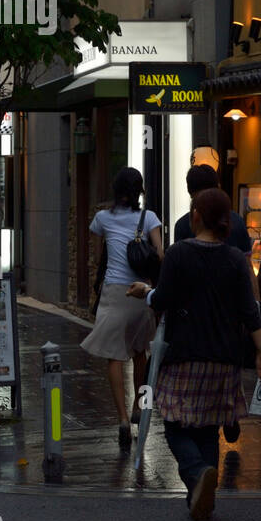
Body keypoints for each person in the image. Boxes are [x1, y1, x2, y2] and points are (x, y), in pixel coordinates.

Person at [126, 187, 261, 520]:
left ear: (196, 217)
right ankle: (201, 497)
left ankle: (196, 473)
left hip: (185, 356)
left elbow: (163, 300)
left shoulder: (179, 254)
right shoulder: (235, 259)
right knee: (208, 428)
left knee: (176, 427)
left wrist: (144, 293)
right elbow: (250, 312)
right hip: (225, 360)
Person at [80, 167, 164, 448]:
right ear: (140, 191)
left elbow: (97, 255)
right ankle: (139, 404)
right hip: (141, 292)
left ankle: (122, 419)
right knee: (140, 351)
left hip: (114, 292)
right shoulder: (149, 217)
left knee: (114, 357)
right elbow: (161, 254)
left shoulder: (102, 218)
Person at [173, 163, 254, 446]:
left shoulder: (184, 225)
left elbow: (179, 275)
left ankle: (209, 419)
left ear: (190, 192)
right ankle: (229, 413)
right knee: (230, 364)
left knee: (204, 367)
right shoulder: (236, 222)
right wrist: (254, 306)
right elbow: (246, 269)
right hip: (231, 310)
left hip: (196, 311)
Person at [173, 164, 251, 252]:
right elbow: (247, 261)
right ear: (218, 187)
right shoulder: (236, 221)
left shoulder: (182, 225)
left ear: (190, 192)